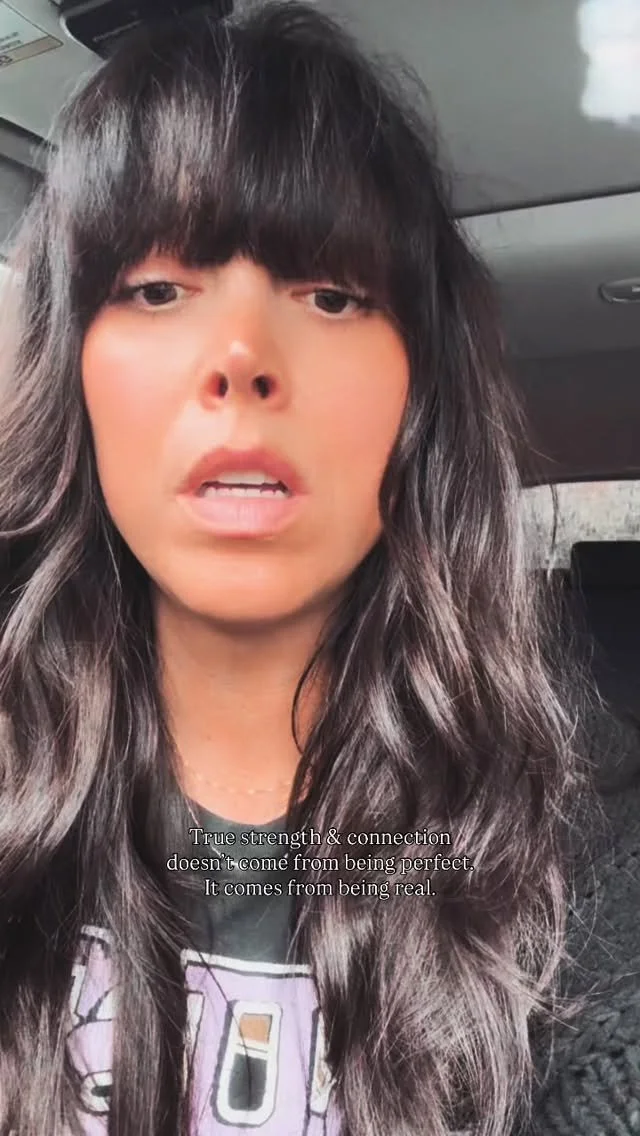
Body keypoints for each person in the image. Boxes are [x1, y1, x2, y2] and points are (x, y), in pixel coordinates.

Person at [0, 1, 634, 1134]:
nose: (242, 357)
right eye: (155, 289)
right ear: (71, 370)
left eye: (333, 295)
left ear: (418, 396)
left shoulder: (576, 852)